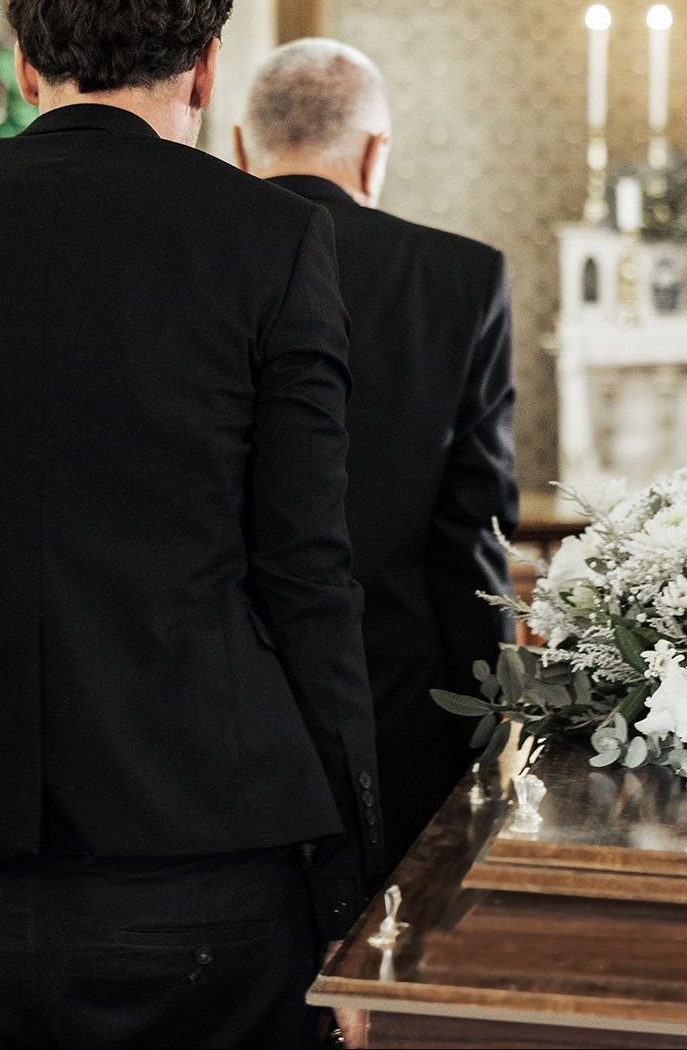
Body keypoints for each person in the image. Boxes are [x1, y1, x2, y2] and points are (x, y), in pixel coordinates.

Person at [0, 1, 379, 1044]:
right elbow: (310, 581)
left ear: (25, 63)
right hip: (207, 861)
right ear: (207, 69)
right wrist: (352, 890)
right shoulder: (272, 236)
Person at [237, 39, 518, 872]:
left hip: (207, 703)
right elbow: (473, 529)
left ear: (240, 147)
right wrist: (489, 719)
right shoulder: (458, 276)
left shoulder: (185, 263)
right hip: (396, 698)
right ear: (374, 150)